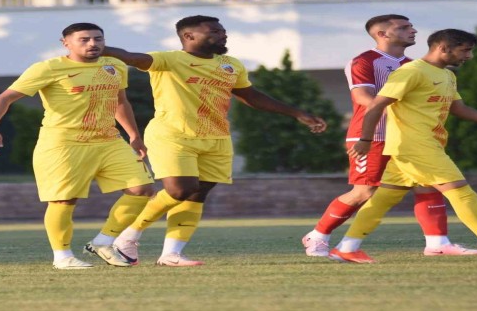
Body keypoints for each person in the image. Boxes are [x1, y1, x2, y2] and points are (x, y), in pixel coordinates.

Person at [103, 15, 327, 267]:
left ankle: (171, 254)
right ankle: (128, 236)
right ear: (189, 36)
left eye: (222, 31)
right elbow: (131, 57)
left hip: (216, 137)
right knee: (180, 190)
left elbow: (251, 96)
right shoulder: (167, 60)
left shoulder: (231, 65)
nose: (223, 35)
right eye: (214, 32)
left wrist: (297, 113)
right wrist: (97, 48)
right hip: (174, 135)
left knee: (197, 193)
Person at [330, 29, 477, 263]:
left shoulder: (447, 75)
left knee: (383, 198)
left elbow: (458, 108)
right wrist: (365, 140)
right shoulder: (411, 71)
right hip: (415, 146)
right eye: (465, 50)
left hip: (422, 145)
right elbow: (375, 105)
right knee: (462, 193)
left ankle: (347, 247)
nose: (469, 56)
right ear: (443, 48)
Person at [302, 15, 477, 257]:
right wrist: (404, 112)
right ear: (382, 34)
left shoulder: (416, 65)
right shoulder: (364, 61)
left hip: (408, 137)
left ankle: (437, 243)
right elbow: (363, 98)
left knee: (426, 184)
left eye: (411, 26)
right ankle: (318, 236)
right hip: (373, 135)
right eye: (404, 27)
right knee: (365, 191)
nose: (413, 30)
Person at [0, 23, 154, 270]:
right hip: (64, 143)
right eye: (84, 39)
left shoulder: (114, 65)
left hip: (109, 140)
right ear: (66, 43)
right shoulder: (48, 68)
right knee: (64, 201)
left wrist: (134, 135)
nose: (93, 44)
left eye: (98, 39)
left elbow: (120, 102)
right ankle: (62, 257)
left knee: (142, 189)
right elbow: (4, 98)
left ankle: (103, 242)